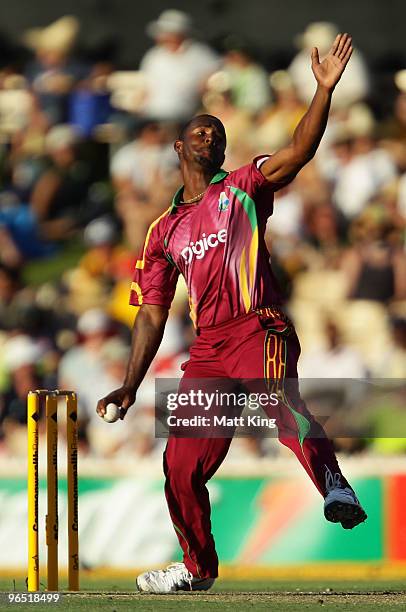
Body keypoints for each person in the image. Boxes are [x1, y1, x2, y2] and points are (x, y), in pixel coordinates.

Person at [97, 33, 367, 593]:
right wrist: (129, 385)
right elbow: (150, 314)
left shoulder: (244, 187)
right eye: (199, 130)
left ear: (222, 150)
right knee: (180, 464)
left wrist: (322, 92)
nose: (209, 135)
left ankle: (333, 483)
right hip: (208, 348)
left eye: (216, 133)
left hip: (257, 324)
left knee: (276, 401)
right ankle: (197, 569)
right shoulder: (163, 230)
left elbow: (299, 152)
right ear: (178, 147)